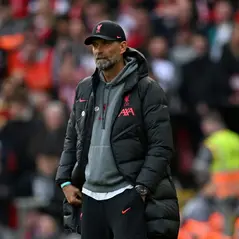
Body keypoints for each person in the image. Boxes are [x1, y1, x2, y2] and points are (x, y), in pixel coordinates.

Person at [55, 20, 180, 239]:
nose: (98, 51)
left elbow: (161, 146)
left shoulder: (146, 89)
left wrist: (141, 190)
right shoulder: (84, 88)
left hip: (126, 194)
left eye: (105, 44)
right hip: (90, 197)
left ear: (123, 47)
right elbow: (72, 138)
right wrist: (65, 180)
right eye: (94, 46)